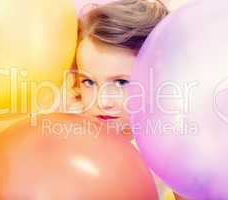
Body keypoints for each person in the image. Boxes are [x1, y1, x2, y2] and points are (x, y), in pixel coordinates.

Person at [64, 0, 184, 199]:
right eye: (88, 82)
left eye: (121, 83)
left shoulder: (170, 148)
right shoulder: (66, 136)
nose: (103, 101)